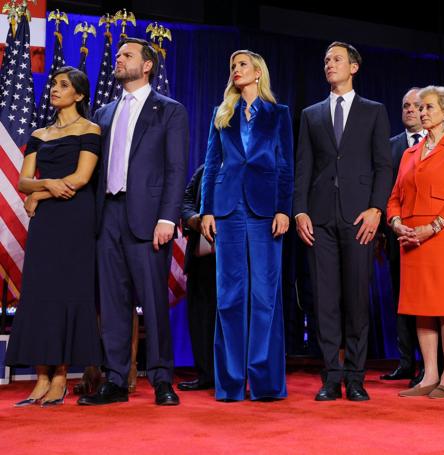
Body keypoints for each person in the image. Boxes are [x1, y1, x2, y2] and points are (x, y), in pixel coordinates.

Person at [78, 38, 189, 406]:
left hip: (148, 217)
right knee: (112, 302)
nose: (119, 58)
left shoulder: (169, 111)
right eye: (119, 54)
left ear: (147, 67)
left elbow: (176, 170)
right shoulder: (104, 113)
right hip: (107, 215)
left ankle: (161, 379)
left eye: (128, 55)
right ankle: (115, 379)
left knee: (154, 302)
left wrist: (167, 217)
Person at [294, 41, 392, 401]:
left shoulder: (374, 111)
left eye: (336, 59)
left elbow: (384, 165)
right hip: (318, 219)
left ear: (354, 67)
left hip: (359, 218)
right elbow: (303, 166)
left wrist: (376, 209)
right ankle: (331, 377)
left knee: (355, 299)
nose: (329, 65)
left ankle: (355, 376)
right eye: (326, 60)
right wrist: (300, 209)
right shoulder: (311, 114)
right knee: (325, 301)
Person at [6, 66, 102, 407]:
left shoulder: (90, 129)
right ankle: (41, 376)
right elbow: (23, 181)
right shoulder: (39, 133)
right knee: (39, 292)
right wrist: (44, 186)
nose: (55, 89)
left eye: (64, 85)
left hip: (75, 218)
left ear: (78, 95)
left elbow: (81, 178)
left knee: (68, 291)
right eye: (54, 84)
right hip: (45, 223)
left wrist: (39, 193)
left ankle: (61, 375)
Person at [200, 50, 293, 401]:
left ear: (258, 73)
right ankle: (231, 383)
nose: (236, 70)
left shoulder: (278, 114)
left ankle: (266, 382)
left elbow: (285, 165)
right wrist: (207, 209)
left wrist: (284, 208)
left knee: (264, 295)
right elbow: (211, 162)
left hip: (266, 209)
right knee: (229, 296)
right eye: (232, 67)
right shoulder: (222, 113)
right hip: (228, 209)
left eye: (242, 65)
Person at [388, 86, 444, 399]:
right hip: (410, 238)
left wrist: (432, 226)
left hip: (443, 236)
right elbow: (395, 196)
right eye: (420, 108)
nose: (422, 113)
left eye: (429, 108)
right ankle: (429, 375)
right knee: (421, 309)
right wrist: (397, 223)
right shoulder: (410, 153)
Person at [380, 88, 426, 383]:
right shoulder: (390, 147)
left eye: (416, 105)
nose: (410, 110)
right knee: (403, 300)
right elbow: (385, 191)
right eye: (405, 105)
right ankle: (407, 362)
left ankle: (439, 364)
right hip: (399, 235)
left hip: (434, 235)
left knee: (432, 301)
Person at [177, 164, 216, 392]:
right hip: (202, 255)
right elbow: (186, 201)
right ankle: (205, 374)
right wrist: (195, 220)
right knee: (200, 317)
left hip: (234, 258)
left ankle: (230, 374)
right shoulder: (204, 170)